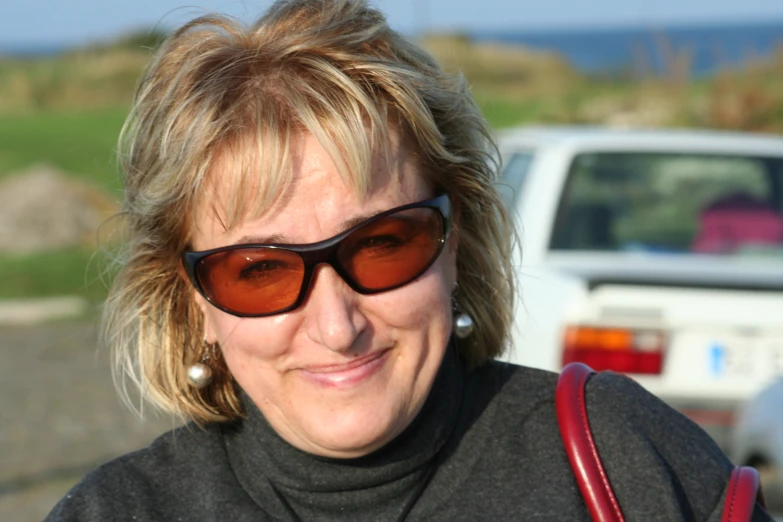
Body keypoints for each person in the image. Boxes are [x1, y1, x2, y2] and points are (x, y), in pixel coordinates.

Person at [47, 1, 771, 520]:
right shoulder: (122, 509)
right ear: (193, 298)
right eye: (261, 270)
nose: (335, 327)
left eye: (383, 245)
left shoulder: (621, 462)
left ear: (455, 243)